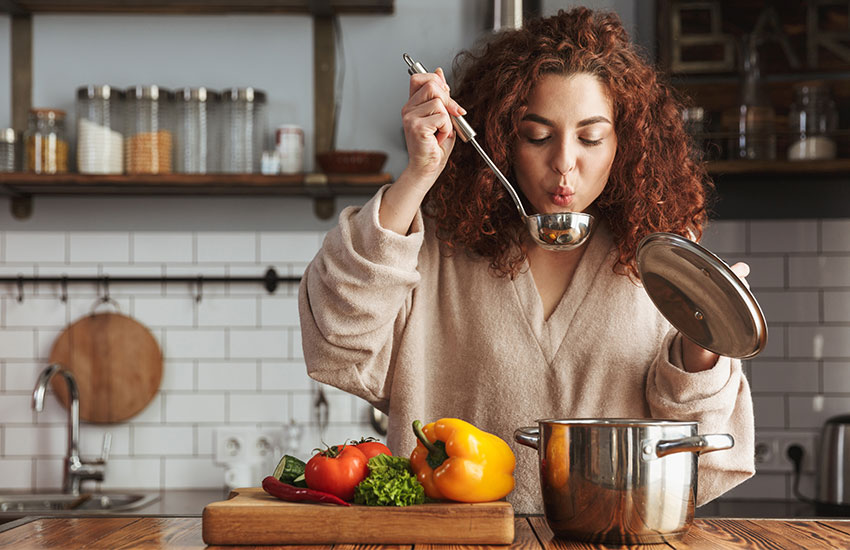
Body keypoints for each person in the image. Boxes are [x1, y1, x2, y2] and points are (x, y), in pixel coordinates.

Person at [299, 7, 754, 513]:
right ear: (501, 138)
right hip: (453, 545)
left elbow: (701, 447)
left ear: (624, 144)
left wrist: (704, 343)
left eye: (590, 137)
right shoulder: (434, 250)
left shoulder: (664, 261)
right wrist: (418, 175)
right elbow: (337, 339)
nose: (564, 161)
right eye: (537, 135)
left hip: (610, 543)